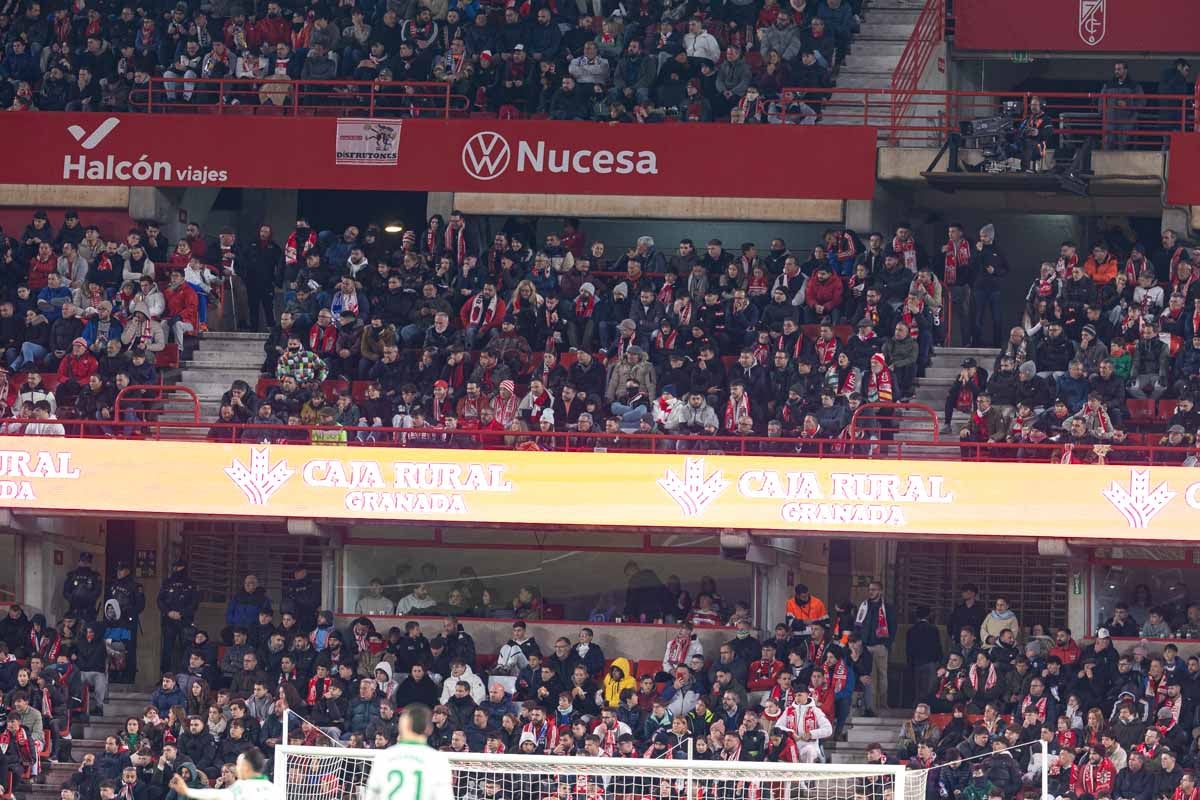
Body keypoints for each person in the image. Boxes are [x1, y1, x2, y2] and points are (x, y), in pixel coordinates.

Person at [364, 705, 451, 800]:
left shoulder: (383, 757)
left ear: (402, 726)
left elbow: (372, 796)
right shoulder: (438, 760)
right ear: (429, 729)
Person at [168, 748, 279, 800]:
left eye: (238, 764)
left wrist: (187, 791)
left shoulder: (243, 787)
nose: (237, 768)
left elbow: (217, 795)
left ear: (246, 767)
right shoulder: (274, 789)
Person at [158, 559, 200, 673]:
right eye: (175, 567)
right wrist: (168, 612)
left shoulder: (191, 584)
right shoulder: (167, 582)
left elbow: (194, 603)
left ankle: (185, 674)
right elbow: (160, 600)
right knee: (167, 649)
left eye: (179, 567)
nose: (177, 570)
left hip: (185, 620)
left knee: (186, 648)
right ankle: (165, 675)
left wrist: (181, 614)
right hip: (169, 621)